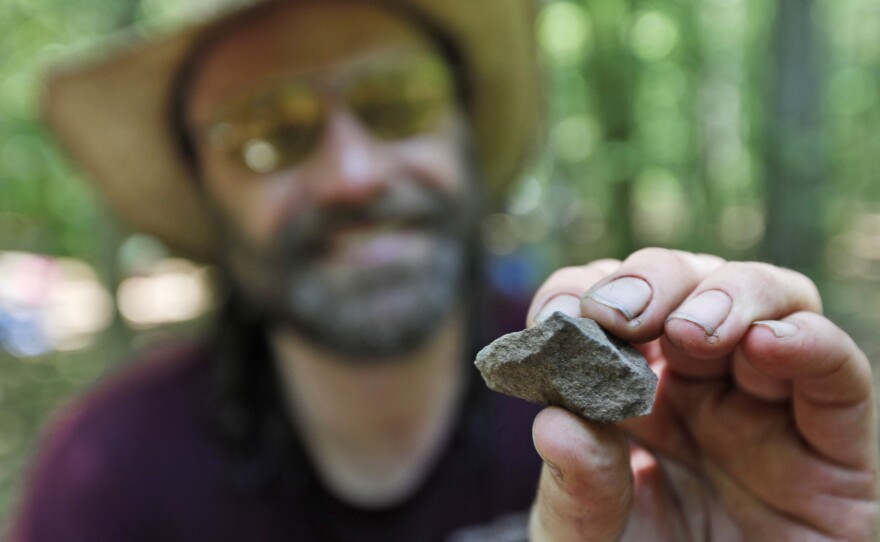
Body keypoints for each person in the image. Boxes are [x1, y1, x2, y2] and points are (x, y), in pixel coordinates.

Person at [10, 0, 878, 540]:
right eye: (267, 133)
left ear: (464, 130)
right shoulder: (107, 479)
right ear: (207, 190)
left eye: (399, 103)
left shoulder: (670, 437)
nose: (352, 176)